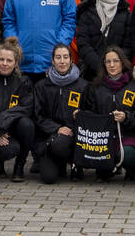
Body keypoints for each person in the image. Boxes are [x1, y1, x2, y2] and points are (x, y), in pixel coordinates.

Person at [2, 0, 79, 81]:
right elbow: (8, 21)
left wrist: (60, 44)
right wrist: (14, 42)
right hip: (23, 62)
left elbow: (70, 19)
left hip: (52, 62)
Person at [85, 46, 135, 183]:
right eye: (108, 62)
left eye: (115, 61)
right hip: (103, 137)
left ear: (123, 62)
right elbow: (89, 110)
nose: (112, 65)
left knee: (127, 154)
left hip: (131, 135)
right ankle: (106, 168)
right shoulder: (95, 87)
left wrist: (126, 117)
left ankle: (130, 168)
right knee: (102, 172)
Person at [27, 44, 87, 184]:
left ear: (71, 60)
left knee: (61, 144)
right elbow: (38, 116)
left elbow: (89, 113)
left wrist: (77, 121)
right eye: (58, 57)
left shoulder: (83, 86)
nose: (62, 61)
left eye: (66, 57)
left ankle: (75, 163)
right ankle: (57, 162)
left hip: (74, 137)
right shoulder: (41, 86)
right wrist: (56, 129)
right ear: (52, 61)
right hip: (50, 137)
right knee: (48, 178)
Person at [0, 39, 37, 182]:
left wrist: (4, 121)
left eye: (9, 60)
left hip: (14, 131)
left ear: (16, 63)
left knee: (28, 124)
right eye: (1, 59)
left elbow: (27, 108)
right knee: (6, 149)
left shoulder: (24, 82)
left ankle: (19, 166)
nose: (5, 64)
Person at [76, 0, 132, 81]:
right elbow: (83, 43)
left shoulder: (125, 14)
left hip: (118, 75)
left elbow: (129, 45)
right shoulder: (87, 11)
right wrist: (100, 67)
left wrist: (114, 64)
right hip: (91, 73)